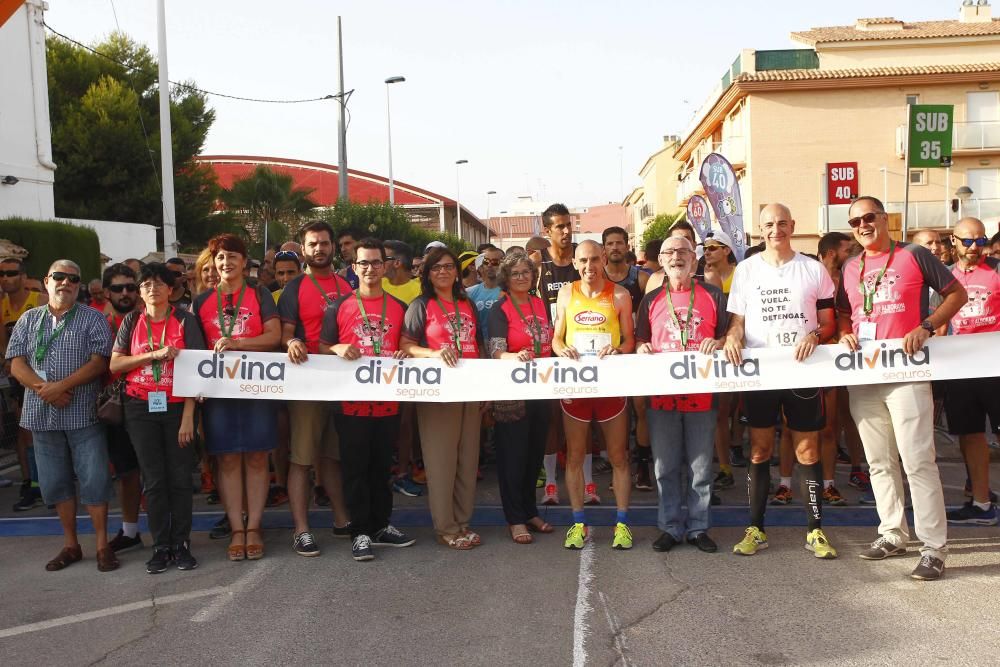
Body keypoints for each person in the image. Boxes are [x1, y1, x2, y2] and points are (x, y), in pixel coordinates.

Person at [837, 196, 967, 581]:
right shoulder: (850, 265)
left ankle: (933, 548)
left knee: (917, 461)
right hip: (865, 375)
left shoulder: (913, 254)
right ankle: (892, 532)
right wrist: (845, 333)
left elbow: (956, 294)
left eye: (869, 217)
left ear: (884, 219)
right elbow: (846, 313)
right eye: (855, 220)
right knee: (879, 461)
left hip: (907, 374)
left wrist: (926, 326)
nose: (863, 225)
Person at [723, 203, 838, 559]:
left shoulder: (813, 268)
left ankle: (815, 531)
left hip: (802, 369)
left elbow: (829, 322)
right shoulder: (745, 270)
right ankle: (756, 529)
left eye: (783, 223)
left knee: (808, 450)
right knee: (759, 450)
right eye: (769, 225)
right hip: (761, 373)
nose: (777, 230)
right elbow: (738, 322)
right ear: (760, 230)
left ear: (793, 225)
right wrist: (732, 337)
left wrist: (815, 336)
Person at [6, 260, 119, 572]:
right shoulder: (28, 319)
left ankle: (101, 546)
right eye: (59, 276)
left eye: (73, 279)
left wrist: (63, 387)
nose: (65, 283)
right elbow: (15, 363)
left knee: (94, 480)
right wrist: (46, 389)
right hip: (41, 416)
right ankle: (71, 545)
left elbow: (100, 363)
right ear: (46, 280)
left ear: (78, 285)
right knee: (55, 484)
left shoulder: (93, 319)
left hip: (83, 415)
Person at [319, 238, 416, 561]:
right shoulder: (339, 307)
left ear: (386, 265)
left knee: (381, 467)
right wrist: (335, 349)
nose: (371, 269)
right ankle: (359, 531)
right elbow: (321, 347)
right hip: (351, 403)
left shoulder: (399, 307)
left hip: (388, 400)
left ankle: (381, 525)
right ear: (353, 267)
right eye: (364, 263)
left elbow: (407, 345)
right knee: (355, 468)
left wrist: (404, 354)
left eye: (376, 262)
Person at [110, 263, 205, 573]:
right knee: (153, 481)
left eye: (159, 283)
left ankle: (182, 543)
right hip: (140, 407)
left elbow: (197, 369)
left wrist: (190, 414)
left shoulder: (185, 320)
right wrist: (153, 355)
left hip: (178, 407)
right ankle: (160, 546)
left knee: (179, 479)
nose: (153, 288)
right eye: (146, 284)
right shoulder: (132, 321)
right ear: (140, 291)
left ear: (170, 289)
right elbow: (116, 364)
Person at [193, 234, 281, 562]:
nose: (225, 262)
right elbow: (195, 350)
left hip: (258, 387)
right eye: (219, 258)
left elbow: (273, 337)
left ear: (245, 262)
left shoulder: (260, 294)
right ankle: (236, 529)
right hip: (219, 392)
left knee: (258, 457)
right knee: (227, 458)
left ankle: (255, 526)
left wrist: (238, 344)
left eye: (232, 256)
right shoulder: (202, 302)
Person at [637, 236, 727, 553]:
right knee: (665, 468)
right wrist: (641, 347)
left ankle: (699, 528)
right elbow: (638, 340)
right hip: (662, 396)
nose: (677, 257)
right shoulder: (650, 301)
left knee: (700, 468)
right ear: (661, 261)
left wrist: (718, 343)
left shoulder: (713, 295)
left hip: (702, 395)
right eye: (670, 253)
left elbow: (728, 335)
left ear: (695, 259)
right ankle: (671, 527)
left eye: (683, 252)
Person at [552, 240, 636, 550]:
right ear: (575, 263)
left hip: (610, 387)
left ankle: (623, 524)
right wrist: (562, 350)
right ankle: (577, 523)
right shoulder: (565, 293)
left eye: (594, 260)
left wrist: (618, 348)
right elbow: (556, 339)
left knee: (618, 457)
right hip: (577, 387)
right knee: (574, 456)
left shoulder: (619, 294)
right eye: (583, 261)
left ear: (603, 259)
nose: (590, 267)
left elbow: (630, 340)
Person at [278, 221, 354, 556]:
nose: (319, 249)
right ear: (304, 250)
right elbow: (284, 333)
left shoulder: (346, 286)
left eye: (324, 242)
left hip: (341, 383)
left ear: (333, 246)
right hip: (307, 382)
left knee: (333, 457)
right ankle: (302, 530)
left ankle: (341, 520)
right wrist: (292, 340)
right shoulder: (294, 288)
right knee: (303, 458)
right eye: (313, 244)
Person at [401, 246, 484, 550]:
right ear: (427, 273)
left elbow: (479, 343)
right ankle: (445, 527)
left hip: (471, 390)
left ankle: (463, 521)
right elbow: (406, 345)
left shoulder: (467, 303)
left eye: (448, 266)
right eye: (436, 268)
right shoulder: (420, 305)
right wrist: (433, 353)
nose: (443, 272)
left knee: (467, 460)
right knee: (441, 462)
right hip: (438, 393)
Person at [487, 252, 555, 544]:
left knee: (533, 455)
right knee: (512, 457)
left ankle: (530, 510)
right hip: (512, 393)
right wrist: (513, 356)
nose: (521, 277)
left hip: (542, 388)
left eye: (526, 272)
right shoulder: (499, 308)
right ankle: (515, 518)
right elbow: (495, 350)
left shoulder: (540, 304)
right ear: (506, 277)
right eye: (515, 273)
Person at [943, 218, 1000, 525]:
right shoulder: (946, 276)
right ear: (954, 241)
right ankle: (981, 503)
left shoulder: (997, 269)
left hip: (995, 365)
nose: (975, 247)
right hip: (961, 366)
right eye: (967, 241)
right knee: (970, 434)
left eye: (980, 240)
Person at [529, 204, 580, 505]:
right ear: (546, 231)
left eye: (568, 225)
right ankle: (550, 483)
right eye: (559, 226)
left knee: (579, 418)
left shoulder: (581, 259)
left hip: (577, 350)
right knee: (550, 419)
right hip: (547, 350)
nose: (565, 231)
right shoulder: (537, 262)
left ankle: (586, 484)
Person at [100, 263, 146, 554]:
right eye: (118, 288)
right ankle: (130, 532)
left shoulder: (150, 318)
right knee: (127, 474)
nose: (125, 293)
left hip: (151, 404)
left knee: (157, 473)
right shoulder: (99, 324)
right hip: (116, 409)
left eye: (131, 286)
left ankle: (170, 535)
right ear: (107, 292)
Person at [1, 257, 47, 511]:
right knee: (23, 430)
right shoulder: (2, 306)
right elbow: (2, 343)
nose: (6, 278)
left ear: (22, 275)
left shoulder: (38, 301)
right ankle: (31, 482)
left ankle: (49, 480)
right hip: (19, 376)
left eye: (11, 273)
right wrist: (9, 362)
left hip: (45, 373)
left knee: (44, 430)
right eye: (2, 274)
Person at [467, 245, 505, 339]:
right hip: (481, 347)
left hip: (504, 347)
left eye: (495, 262)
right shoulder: (470, 293)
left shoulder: (511, 292)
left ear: (504, 265)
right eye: (486, 261)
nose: (489, 265)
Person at [382, 240, 421, 305]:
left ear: (397, 263)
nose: (379, 262)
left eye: (383, 258)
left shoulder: (419, 292)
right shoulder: (377, 284)